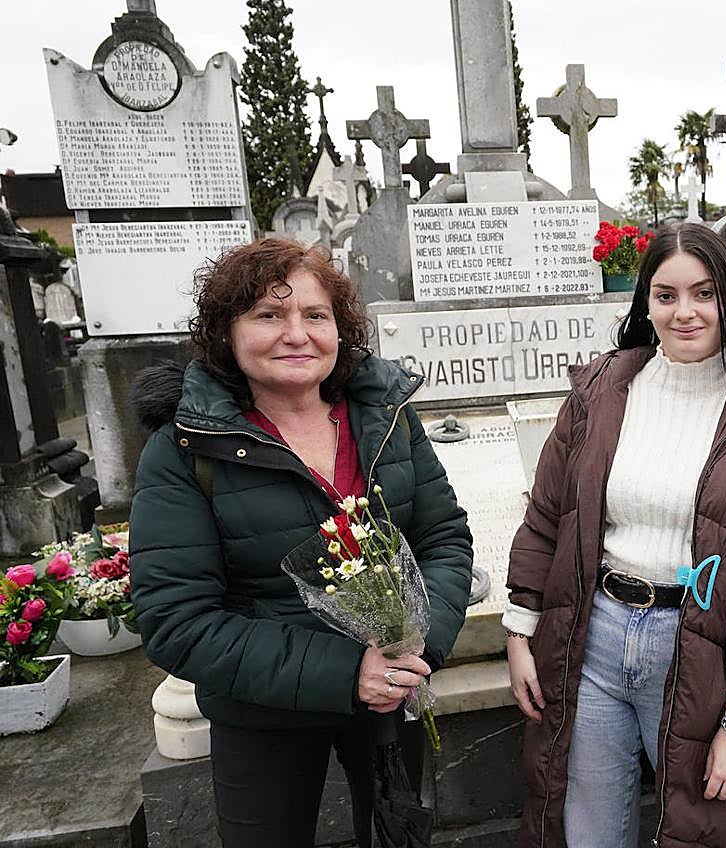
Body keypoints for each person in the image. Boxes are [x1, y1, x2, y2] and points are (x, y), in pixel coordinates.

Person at [128, 239, 473, 848]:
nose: (297, 334)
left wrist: (421, 641)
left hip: (390, 701)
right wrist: (346, 672)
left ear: (339, 329)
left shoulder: (386, 417)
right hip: (262, 715)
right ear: (227, 333)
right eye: (268, 314)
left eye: (315, 315)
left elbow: (443, 538)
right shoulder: (185, 449)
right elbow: (176, 620)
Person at [504, 223, 726, 848]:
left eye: (704, 293)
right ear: (645, 303)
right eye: (666, 295)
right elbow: (548, 514)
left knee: (704, 830)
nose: (685, 312)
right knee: (587, 828)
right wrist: (520, 630)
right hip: (594, 636)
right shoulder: (601, 389)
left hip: (699, 645)